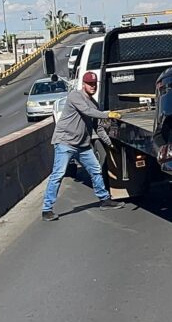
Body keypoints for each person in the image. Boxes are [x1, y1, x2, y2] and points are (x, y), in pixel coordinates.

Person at [42, 70, 123, 220]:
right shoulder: (75, 96)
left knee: (96, 170)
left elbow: (98, 128)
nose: (93, 87)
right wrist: (107, 114)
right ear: (83, 84)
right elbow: (87, 111)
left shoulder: (94, 104)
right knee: (57, 175)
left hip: (83, 145)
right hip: (65, 142)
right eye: (90, 84)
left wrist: (109, 143)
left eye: (94, 84)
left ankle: (104, 200)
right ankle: (47, 209)